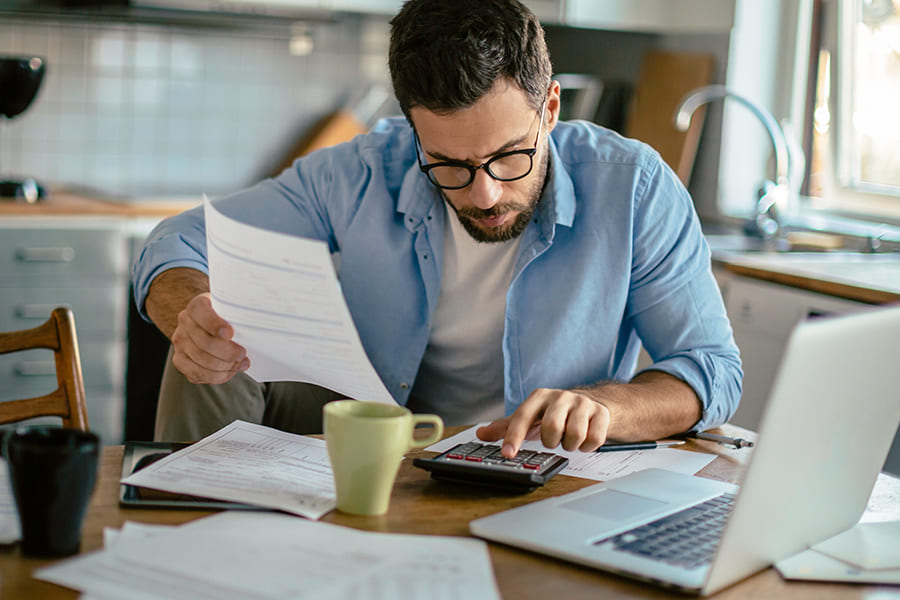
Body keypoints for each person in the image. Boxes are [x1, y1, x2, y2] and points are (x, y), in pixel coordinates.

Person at [132, 0, 742, 457]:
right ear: (413, 131)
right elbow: (178, 240)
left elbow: (711, 369)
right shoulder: (364, 168)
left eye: (509, 156)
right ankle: (192, 546)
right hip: (371, 427)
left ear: (551, 109)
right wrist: (190, 311)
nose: (484, 193)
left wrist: (606, 406)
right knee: (208, 336)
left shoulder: (633, 186)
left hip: (528, 460)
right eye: (448, 164)